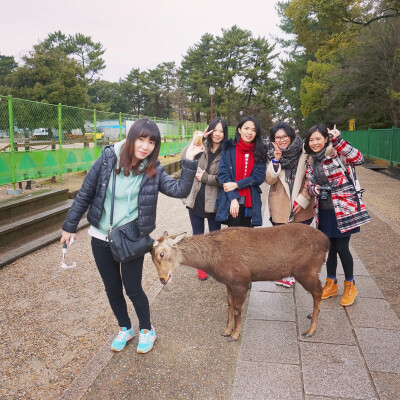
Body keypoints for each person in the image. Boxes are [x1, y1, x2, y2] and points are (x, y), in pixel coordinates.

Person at [60, 118, 203, 354]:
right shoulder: (108, 158)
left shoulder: (153, 169)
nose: (145, 146)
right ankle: (125, 328)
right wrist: (69, 225)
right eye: (141, 139)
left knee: (133, 288)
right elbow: (86, 191)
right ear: (131, 137)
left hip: (132, 238)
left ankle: (147, 330)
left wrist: (189, 160)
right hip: (100, 236)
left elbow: (180, 190)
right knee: (112, 289)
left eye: (151, 142)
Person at [304, 124, 370, 306]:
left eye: (318, 138)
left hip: (343, 210)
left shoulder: (337, 153)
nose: (315, 142)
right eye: (311, 140)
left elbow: (359, 158)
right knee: (329, 249)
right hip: (324, 211)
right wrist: (316, 189)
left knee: (342, 248)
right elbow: (309, 186)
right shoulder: (310, 160)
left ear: (326, 139)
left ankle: (350, 285)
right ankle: (331, 283)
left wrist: (339, 141)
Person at [265, 122, 314, 288]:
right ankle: (287, 272)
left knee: (298, 241)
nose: (281, 140)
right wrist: (276, 159)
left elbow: (311, 178)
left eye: (284, 136)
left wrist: (302, 199)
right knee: (282, 241)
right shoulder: (271, 153)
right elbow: (269, 179)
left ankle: (294, 271)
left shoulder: (304, 151)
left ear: (291, 136)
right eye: (277, 137)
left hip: (301, 202)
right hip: (280, 203)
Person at [181, 117, 228, 281]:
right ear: (210, 131)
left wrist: (206, 177)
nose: (218, 134)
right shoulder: (201, 147)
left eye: (221, 131)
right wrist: (195, 140)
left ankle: (214, 265)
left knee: (215, 237)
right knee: (197, 235)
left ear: (225, 134)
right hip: (195, 198)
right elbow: (183, 156)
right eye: (215, 130)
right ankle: (201, 266)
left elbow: (225, 179)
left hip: (214, 201)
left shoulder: (226, 153)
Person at [216, 116, 267, 228]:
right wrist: (233, 199)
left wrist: (236, 185)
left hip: (250, 201)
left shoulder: (260, 151)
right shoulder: (228, 149)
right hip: (231, 200)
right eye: (246, 128)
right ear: (239, 130)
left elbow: (258, 177)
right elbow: (224, 175)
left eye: (253, 130)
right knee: (233, 238)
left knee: (248, 239)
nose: (249, 132)